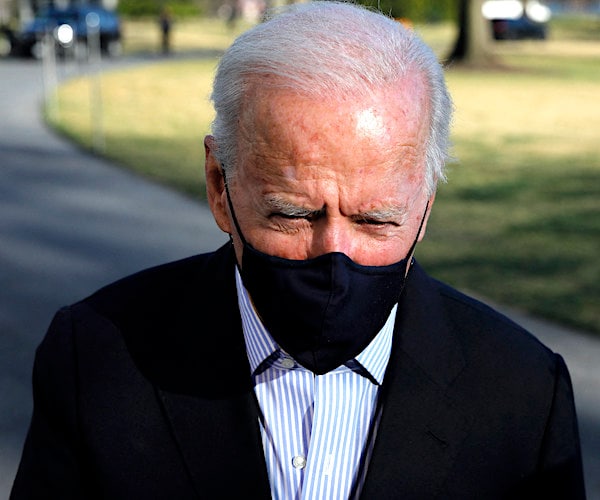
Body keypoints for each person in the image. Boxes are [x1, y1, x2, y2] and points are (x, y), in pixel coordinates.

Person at [11, 2, 585, 498]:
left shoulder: (524, 394)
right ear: (219, 185)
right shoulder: (96, 357)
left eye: (376, 220)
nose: (334, 255)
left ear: (425, 208)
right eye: (292, 214)